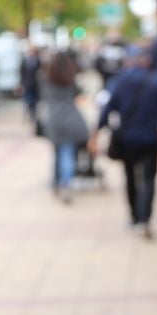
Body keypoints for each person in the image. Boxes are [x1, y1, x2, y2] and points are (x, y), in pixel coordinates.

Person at [94, 49, 157, 238]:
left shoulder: (120, 82)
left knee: (130, 177)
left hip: (127, 139)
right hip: (150, 139)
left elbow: (107, 109)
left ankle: (135, 216)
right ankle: (145, 218)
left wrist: (97, 131)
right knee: (149, 178)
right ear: (145, 61)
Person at [39, 49, 90, 204]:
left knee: (57, 152)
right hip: (70, 117)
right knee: (67, 153)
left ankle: (56, 182)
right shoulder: (70, 78)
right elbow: (79, 94)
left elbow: (42, 96)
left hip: (53, 118)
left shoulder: (45, 78)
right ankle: (65, 183)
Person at [20, 43, 43, 136]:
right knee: (28, 102)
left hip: (36, 86)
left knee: (34, 103)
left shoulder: (38, 61)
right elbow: (21, 73)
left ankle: (33, 116)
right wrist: (21, 85)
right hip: (27, 85)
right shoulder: (24, 61)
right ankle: (30, 115)